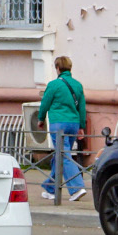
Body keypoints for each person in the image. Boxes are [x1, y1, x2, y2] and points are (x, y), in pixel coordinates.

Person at [39, 55, 89, 202]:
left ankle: (77, 188)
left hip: (58, 123)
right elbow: (82, 107)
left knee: (64, 155)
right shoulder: (78, 85)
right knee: (60, 155)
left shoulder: (54, 85)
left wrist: (41, 119)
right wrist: (81, 126)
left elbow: (45, 103)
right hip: (73, 124)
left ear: (58, 68)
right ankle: (51, 189)